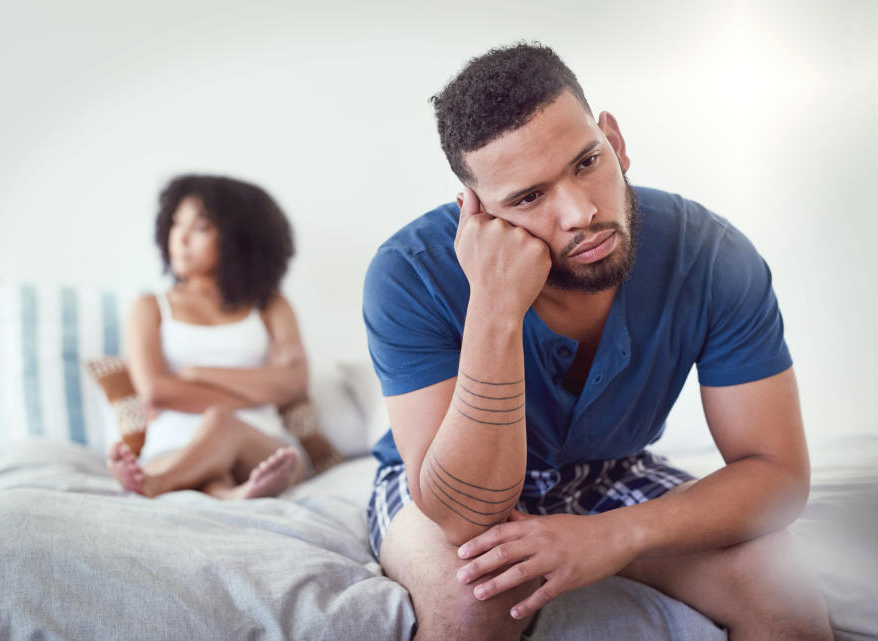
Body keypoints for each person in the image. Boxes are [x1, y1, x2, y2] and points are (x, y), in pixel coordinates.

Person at [362, 43, 832, 640]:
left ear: (614, 138)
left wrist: (617, 534)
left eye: (586, 162)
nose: (580, 212)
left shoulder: (713, 257)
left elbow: (777, 473)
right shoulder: (411, 272)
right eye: (529, 197)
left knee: (785, 591)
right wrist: (494, 306)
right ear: (477, 212)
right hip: (443, 481)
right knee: (473, 601)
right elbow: (460, 517)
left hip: (612, 469)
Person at [107, 174, 309, 500]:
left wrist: (198, 374)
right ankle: (228, 495)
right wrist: (262, 387)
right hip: (174, 447)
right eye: (176, 224)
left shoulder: (270, 305)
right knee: (214, 441)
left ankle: (154, 483)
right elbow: (156, 391)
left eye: (200, 228)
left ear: (238, 239)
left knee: (221, 424)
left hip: (264, 447)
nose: (181, 238)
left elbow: (295, 384)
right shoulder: (150, 307)